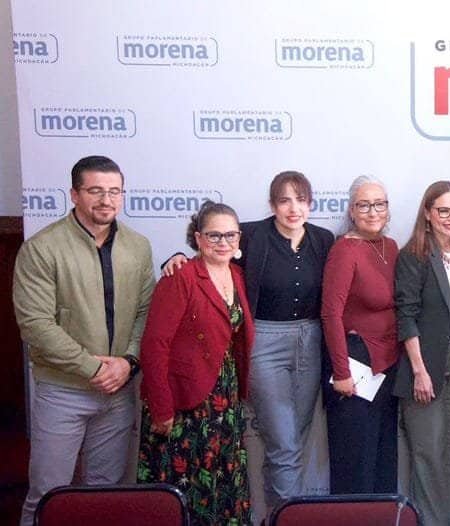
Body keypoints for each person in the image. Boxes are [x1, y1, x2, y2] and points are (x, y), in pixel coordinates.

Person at [163, 171, 335, 510]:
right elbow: (212, 246)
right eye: (284, 200)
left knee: (293, 441)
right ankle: (290, 517)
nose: (293, 209)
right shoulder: (253, 235)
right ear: (272, 205)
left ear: (311, 204)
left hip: (310, 341)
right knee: (284, 443)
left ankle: (275, 514)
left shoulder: (323, 239)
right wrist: (176, 257)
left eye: (301, 200)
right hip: (265, 343)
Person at [14, 155, 154, 526]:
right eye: (95, 191)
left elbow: (146, 312)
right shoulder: (42, 248)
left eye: (114, 191)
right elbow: (35, 324)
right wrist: (93, 368)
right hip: (63, 391)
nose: (106, 200)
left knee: (104, 495)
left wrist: (128, 362)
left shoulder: (138, 247)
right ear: (75, 194)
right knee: (48, 495)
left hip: (119, 391)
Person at [138, 201, 254, 525]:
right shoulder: (181, 276)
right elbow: (154, 345)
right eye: (214, 235)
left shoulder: (237, 274)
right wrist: (162, 408)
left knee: (224, 483)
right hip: (185, 403)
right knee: (185, 491)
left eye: (230, 235)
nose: (223, 242)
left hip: (225, 399)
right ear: (199, 238)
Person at [393, 181, 450, 526]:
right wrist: (419, 371)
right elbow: (406, 315)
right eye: (443, 210)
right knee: (427, 456)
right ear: (427, 214)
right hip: (425, 365)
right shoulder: (413, 255)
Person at [321, 175, 400, 494]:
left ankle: (382, 516)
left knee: (383, 459)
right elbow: (331, 314)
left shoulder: (390, 246)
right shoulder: (344, 250)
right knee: (355, 462)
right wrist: (341, 372)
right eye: (364, 205)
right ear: (352, 211)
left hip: (388, 365)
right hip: (355, 366)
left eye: (379, 204)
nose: (373, 211)